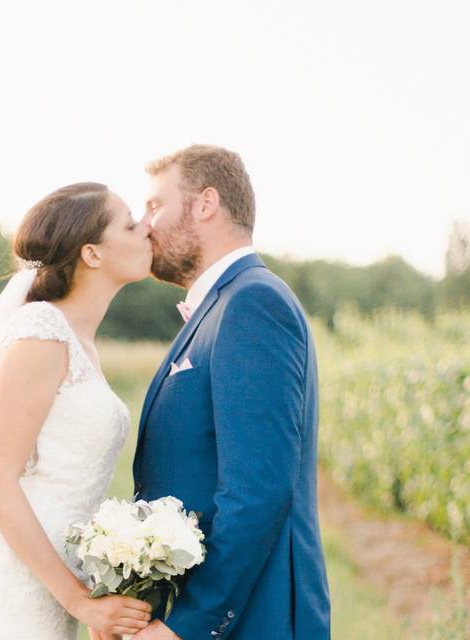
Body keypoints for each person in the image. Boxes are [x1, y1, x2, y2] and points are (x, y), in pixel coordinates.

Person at [0, 182, 155, 639]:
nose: (147, 229)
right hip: (8, 578)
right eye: (130, 223)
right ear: (92, 254)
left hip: (50, 578)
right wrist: (80, 601)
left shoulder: (80, 341)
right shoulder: (41, 333)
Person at [131, 145, 331, 640]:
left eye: (155, 205)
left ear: (205, 204)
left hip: (256, 620)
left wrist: (187, 625)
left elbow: (257, 490)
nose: (144, 224)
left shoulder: (252, 302)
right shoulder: (219, 307)